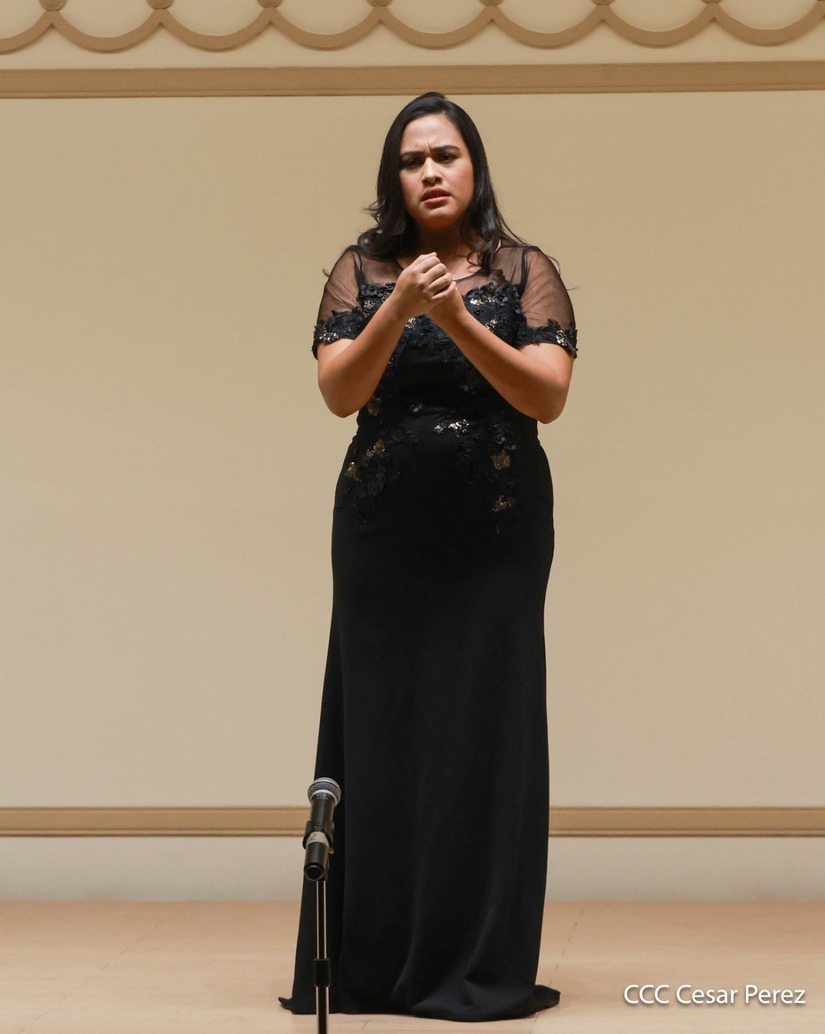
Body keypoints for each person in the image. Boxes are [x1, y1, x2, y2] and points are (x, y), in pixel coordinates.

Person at [280, 92, 577, 1021]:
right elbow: (340, 393)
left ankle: (477, 959)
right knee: (382, 726)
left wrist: (454, 320)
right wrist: (401, 305)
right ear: (394, 178)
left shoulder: (525, 270)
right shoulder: (359, 269)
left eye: (445, 155)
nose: (430, 173)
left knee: (484, 729)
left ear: (474, 168)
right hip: (380, 530)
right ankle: (372, 965)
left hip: (495, 529)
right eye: (412, 161)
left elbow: (546, 397)